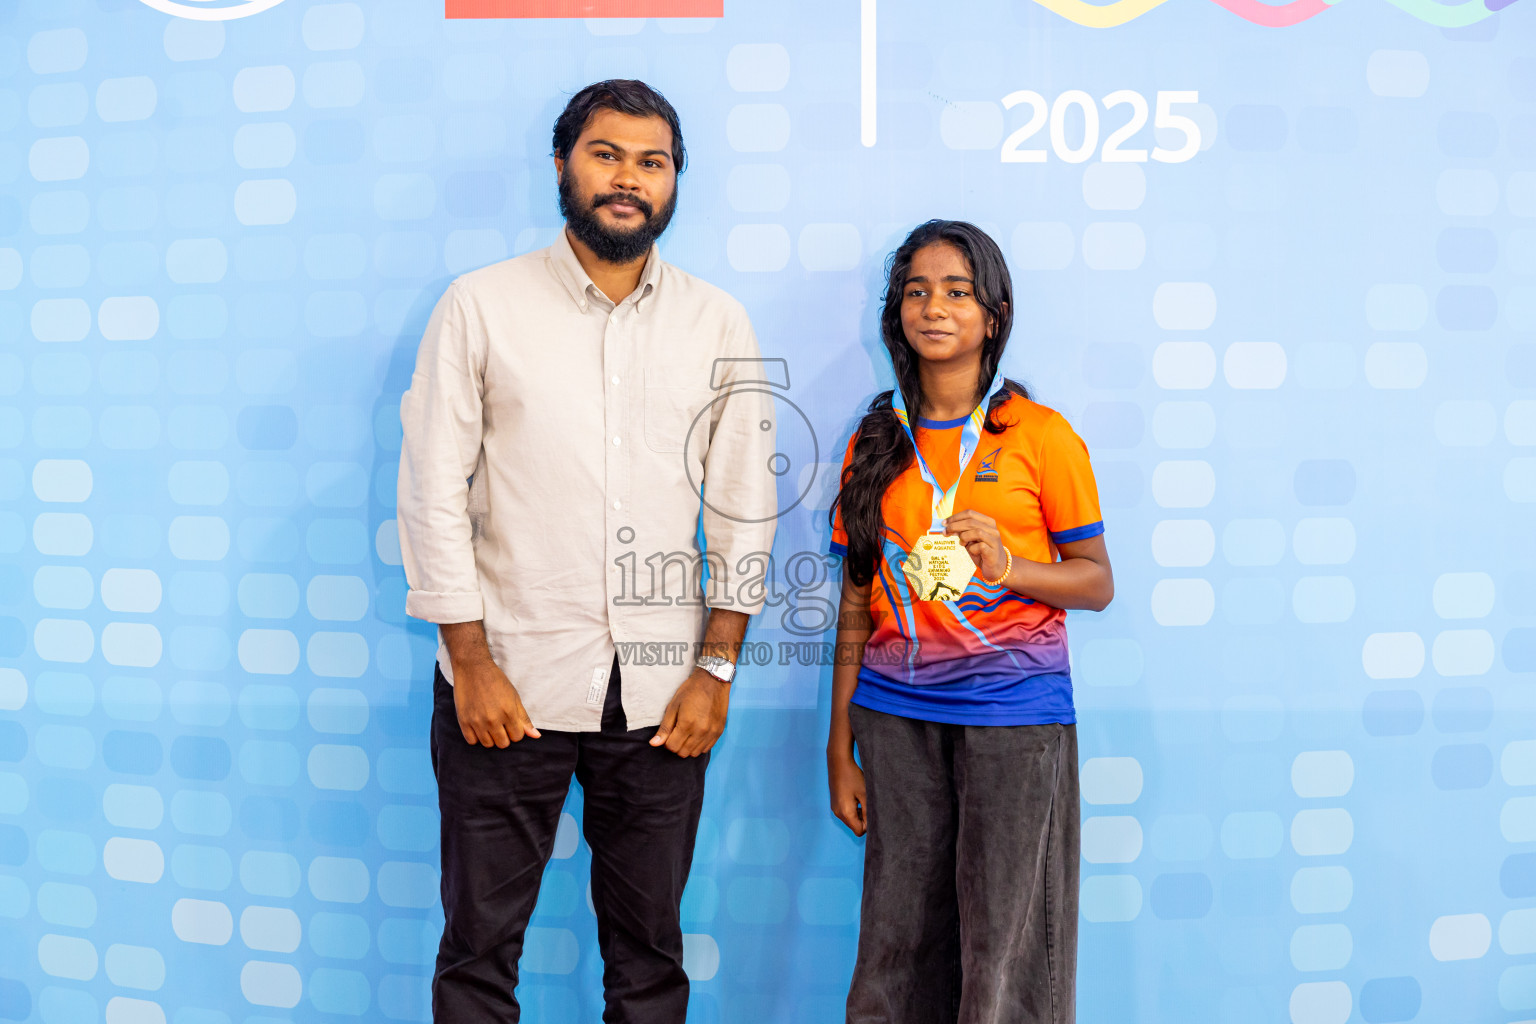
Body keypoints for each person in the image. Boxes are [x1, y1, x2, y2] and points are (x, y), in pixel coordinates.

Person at [397, 79, 777, 1022]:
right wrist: (470, 664)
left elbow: (743, 508)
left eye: (652, 161)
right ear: (564, 164)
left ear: (675, 182)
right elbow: (432, 491)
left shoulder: (716, 321)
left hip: (660, 696)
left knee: (649, 959)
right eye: (606, 154)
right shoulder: (480, 306)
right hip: (506, 691)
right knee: (479, 953)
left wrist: (714, 672)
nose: (628, 178)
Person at [826, 220, 1114, 1024]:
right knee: (896, 943)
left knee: (1006, 948)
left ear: (995, 313)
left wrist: (1011, 569)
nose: (934, 307)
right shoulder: (875, 441)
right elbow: (854, 600)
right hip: (893, 720)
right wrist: (838, 738)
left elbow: (1096, 584)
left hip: (1014, 725)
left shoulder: (1040, 436)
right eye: (916, 291)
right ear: (896, 315)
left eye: (957, 291)